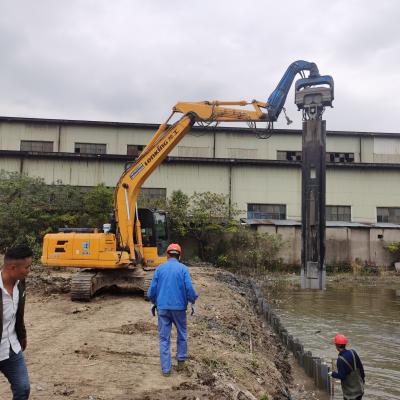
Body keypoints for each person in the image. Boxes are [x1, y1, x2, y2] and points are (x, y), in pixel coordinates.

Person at [147, 243, 198, 377]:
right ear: (179, 256)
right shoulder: (183, 269)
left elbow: (152, 290)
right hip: (179, 309)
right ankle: (181, 363)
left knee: (164, 338)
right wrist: (193, 299)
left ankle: (166, 370)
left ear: (167, 255)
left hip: (163, 308)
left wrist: (153, 301)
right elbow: (189, 289)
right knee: (182, 334)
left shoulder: (159, 269)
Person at [0, 244, 33, 400]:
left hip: (11, 347)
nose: (29, 271)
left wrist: (22, 335)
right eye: (27, 267)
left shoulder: (20, 284)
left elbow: (18, 315)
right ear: (13, 267)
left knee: (23, 388)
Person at [328, 334, 365, 400]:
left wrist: (332, 374)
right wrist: (362, 381)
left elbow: (342, 376)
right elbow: (360, 368)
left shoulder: (340, 359)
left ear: (338, 345)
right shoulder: (353, 352)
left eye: (335, 344)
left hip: (350, 393)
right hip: (359, 388)